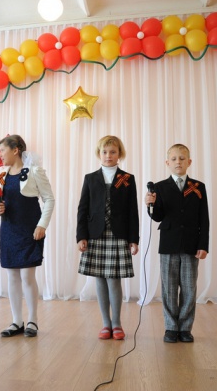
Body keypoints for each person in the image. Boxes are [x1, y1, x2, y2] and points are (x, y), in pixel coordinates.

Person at [144, 143, 209, 343]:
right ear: (167, 163)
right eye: (173, 159)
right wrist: (150, 205)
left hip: (191, 244)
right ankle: (171, 327)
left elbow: (204, 218)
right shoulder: (160, 187)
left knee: (189, 287)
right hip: (169, 244)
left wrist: (203, 244)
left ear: (189, 162)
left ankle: (185, 328)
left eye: (182, 158)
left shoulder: (198, 187)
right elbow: (158, 216)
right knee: (169, 288)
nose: (178, 162)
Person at [76, 135, 140, 341]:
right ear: (99, 154)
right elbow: (82, 209)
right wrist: (81, 236)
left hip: (118, 235)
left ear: (119, 154)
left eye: (113, 152)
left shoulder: (127, 179)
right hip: (95, 235)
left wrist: (134, 239)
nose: (108, 155)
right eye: (104, 152)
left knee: (114, 279)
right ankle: (105, 323)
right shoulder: (90, 178)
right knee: (100, 279)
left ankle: (117, 323)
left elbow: (133, 211)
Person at [0, 135, 55, 338]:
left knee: (27, 276)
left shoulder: (34, 171)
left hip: (30, 230)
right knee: (12, 276)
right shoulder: (1, 175)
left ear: (15, 150)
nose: (0, 154)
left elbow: (49, 199)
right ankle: (16, 321)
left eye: (3, 150)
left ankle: (32, 321)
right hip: (8, 230)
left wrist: (42, 225)